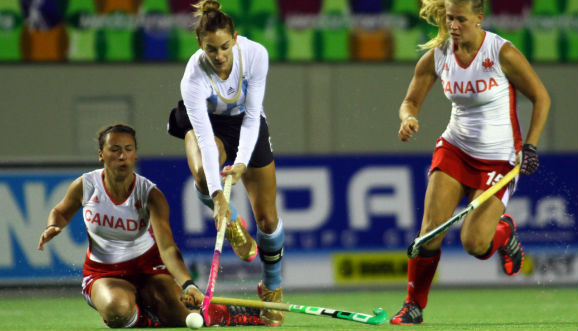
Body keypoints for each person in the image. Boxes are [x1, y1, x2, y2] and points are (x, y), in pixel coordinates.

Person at [390, 0, 550, 325]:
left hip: (498, 160)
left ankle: (503, 233)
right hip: (455, 149)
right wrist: (408, 118)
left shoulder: (501, 53)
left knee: (475, 244)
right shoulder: (438, 55)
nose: (454, 26)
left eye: (461, 20)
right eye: (449, 19)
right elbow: (410, 101)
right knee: (429, 233)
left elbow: (541, 97)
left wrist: (531, 145)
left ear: (479, 18)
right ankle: (413, 305)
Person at [37, 124, 265, 328]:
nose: (122, 156)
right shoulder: (86, 185)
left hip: (150, 269)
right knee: (117, 311)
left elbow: (167, 248)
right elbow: (60, 212)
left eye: (128, 149)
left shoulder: (150, 194)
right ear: (101, 154)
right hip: (103, 273)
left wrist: (188, 285)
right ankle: (151, 318)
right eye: (115, 150)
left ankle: (239, 313)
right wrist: (52, 226)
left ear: (135, 155)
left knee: (186, 317)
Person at [167, 0, 285, 326]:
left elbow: (251, 118)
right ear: (199, 45)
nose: (218, 56)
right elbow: (204, 138)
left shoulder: (256, 55)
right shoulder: (193, 77)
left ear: (235, 38)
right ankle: (231, 225)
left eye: (223, 47)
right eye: (210, 49)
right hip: (209, 128)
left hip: (247, 125)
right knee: (206, 177)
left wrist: (242, 163)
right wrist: (219, 197)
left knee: (268, 220)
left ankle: (272, 290)